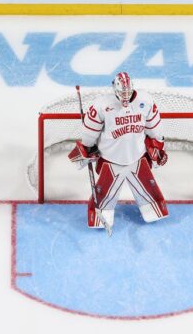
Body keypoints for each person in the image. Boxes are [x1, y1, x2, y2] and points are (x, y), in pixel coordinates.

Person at [69, 72, 169, 234]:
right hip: (111, 159)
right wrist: (87, 146)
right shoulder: (102, 105)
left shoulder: (145, 101)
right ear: (114, 89)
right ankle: (101, 216)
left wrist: (158, 144)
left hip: (137, 157)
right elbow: (90, 132)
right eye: (122, 92)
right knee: (104, 193)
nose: (125, 95)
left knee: (148, 188)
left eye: (127, 92)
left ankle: (152, 209)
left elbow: (154, 127)